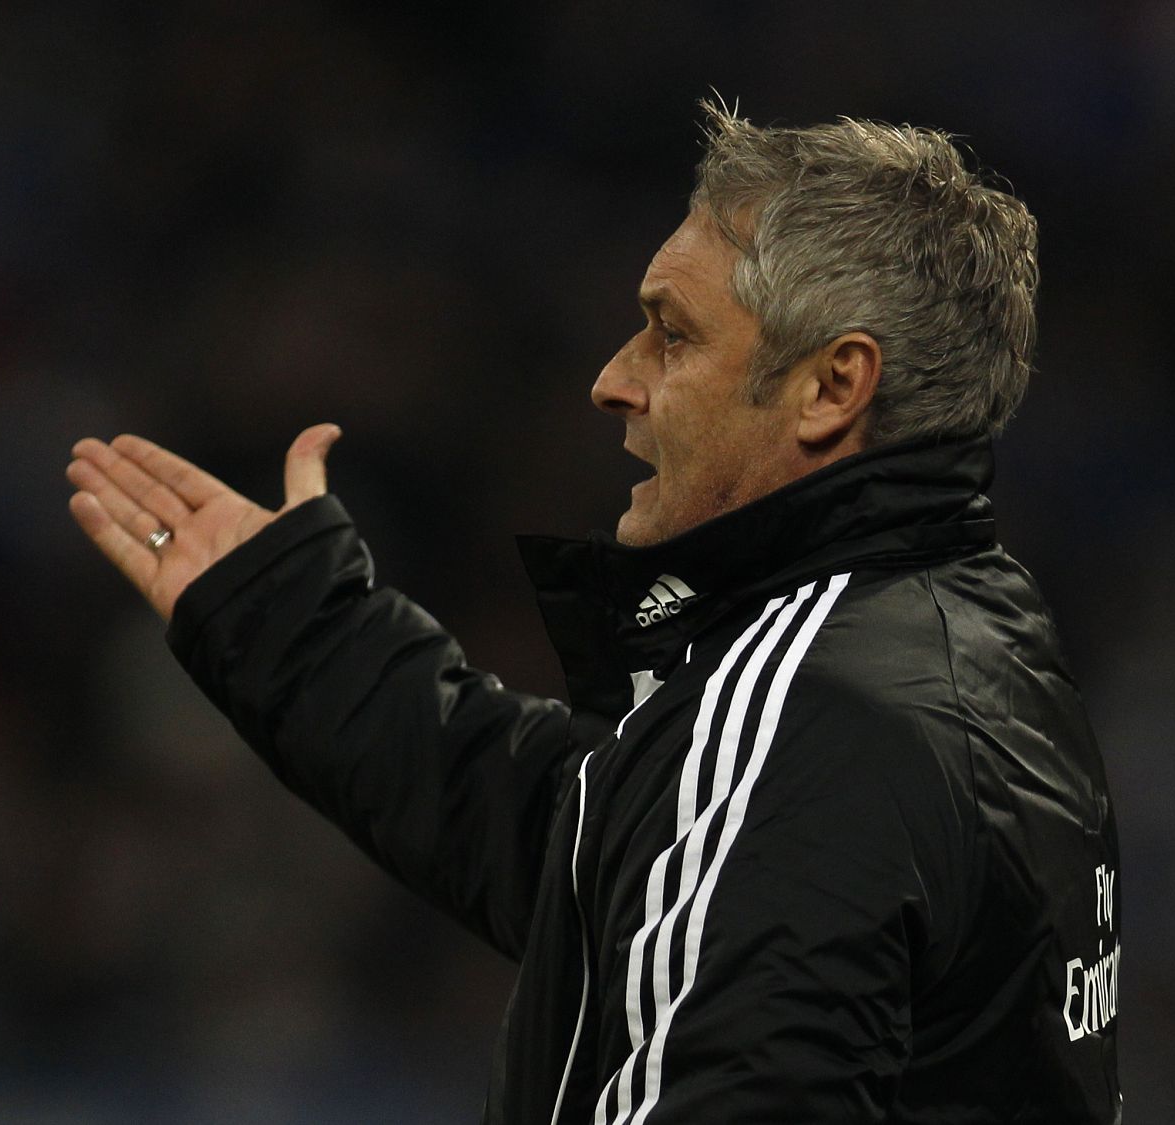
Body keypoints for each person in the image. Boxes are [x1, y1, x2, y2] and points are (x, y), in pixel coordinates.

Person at [67, 103, 1121, 1123]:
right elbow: (609, 867)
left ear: (830, 387)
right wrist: (300, 630)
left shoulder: (806, 711)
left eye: (672, 335)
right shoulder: (974, 637)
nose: (614, 379)